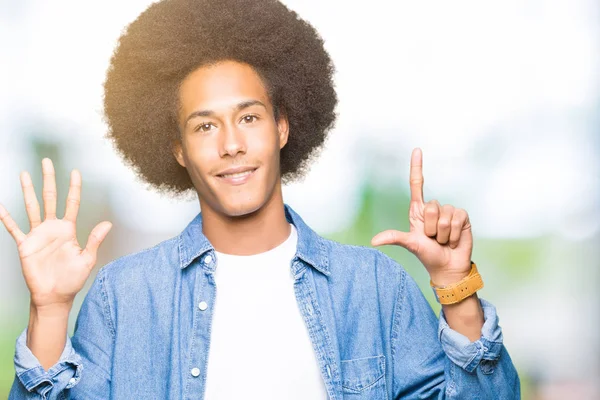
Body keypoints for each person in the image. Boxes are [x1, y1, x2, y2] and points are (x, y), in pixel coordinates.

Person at [1, 0, 520, 398]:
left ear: (282, 127)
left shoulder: (373, 288)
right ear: (178, 150)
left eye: (249, 117)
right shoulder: (124, 297)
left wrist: (456, 287)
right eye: (205, 126)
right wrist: (48, 312)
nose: (231, 144)